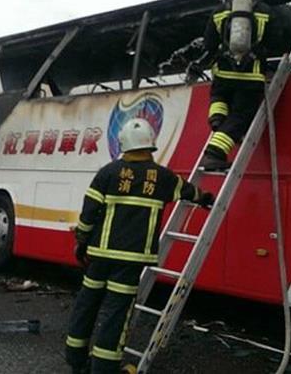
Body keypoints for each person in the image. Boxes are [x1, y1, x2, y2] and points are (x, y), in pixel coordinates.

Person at [65, 118, 214, 374]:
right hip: (130, 261)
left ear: (123, 143)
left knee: (86, 304)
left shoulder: (107, 173)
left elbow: (88, 214)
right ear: (150, 144)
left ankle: (76, 359)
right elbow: (190, 192)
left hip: (98, 256)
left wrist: (81, 242)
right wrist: (206, 199)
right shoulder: (164, 177)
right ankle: (104, 369)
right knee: (116, 315)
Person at [198, 0, 291, 171]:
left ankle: (217, 118)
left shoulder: (218, 13)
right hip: (250, 77)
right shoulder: (265, 11)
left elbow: (209, 46)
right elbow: (276, 42)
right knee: (239, 117)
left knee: (219, 97)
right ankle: (214, 154)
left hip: (222, 74)